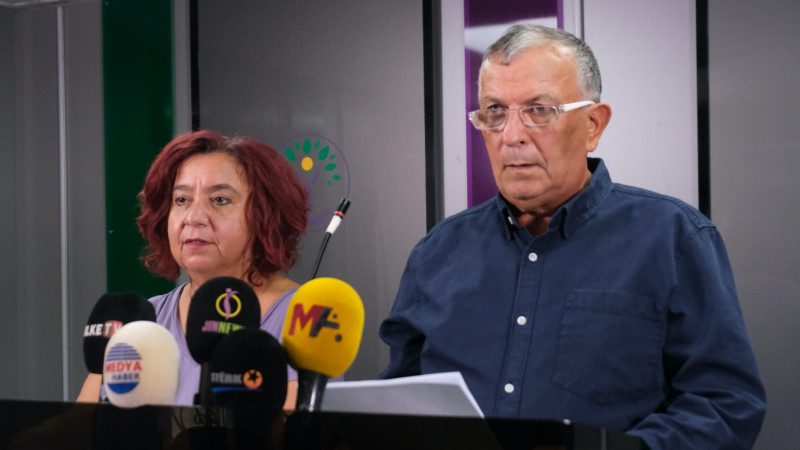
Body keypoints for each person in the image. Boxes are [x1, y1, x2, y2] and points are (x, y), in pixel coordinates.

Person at [379, 24, 766, 450]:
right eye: (494, 111)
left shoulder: (674, 239)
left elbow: (725, 406)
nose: (511, 135)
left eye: (539, 110)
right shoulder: (437, 252)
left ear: (593, 125)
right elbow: (398, 405)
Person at [77, 130, 308, 410]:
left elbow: (289, 429)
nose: (194, 218)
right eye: (181, 200)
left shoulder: (302, 317)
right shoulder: (144, 321)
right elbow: (79, 426)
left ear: (265, 215)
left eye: (220, 200)